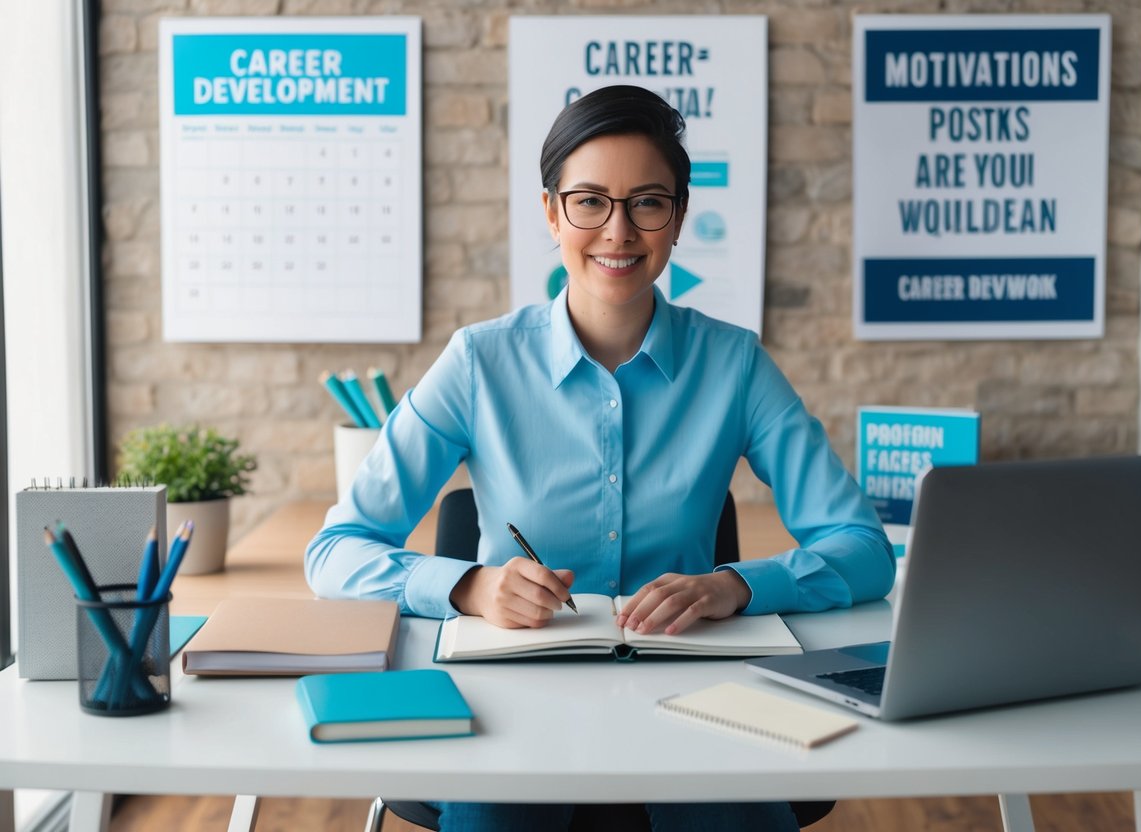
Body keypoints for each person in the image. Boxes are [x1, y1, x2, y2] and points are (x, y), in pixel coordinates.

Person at [306, 84, 894, 832]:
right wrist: (467, 587)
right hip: (515, 700)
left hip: (701, 699)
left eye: (647, 202)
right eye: (589, 202)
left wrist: (735, 588)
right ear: (551, 213)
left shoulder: (734, 364)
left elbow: (862, 550)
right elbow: (335, 551)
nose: (617, 231)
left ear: (677, 219)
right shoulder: (478, 363)